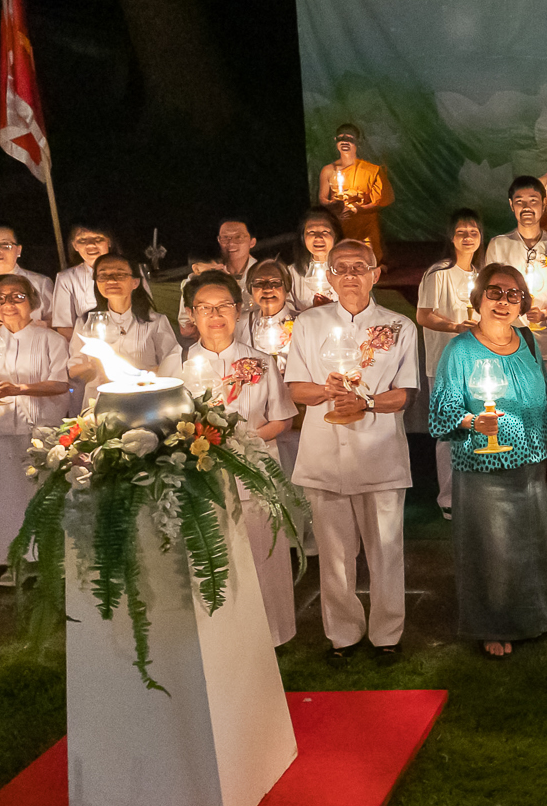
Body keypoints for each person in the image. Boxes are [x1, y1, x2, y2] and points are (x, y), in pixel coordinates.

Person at [284, 239, 419, 659]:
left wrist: (368, 403)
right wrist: (325, 391)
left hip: (379, 450)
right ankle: (342, 633)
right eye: (340, 268)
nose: (350, 276)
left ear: (375, 274)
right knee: (336, 554)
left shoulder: (400, 326)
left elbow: (405, 394)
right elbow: (296, 388)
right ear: (329, 276)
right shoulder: (308, 324)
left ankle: (387, 634)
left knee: (386, 549)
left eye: (359, 267)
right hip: (326, 452)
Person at [163, 271, 299, 644]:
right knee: (210, 555)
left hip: (254, 471)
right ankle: (218, 636)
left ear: (238, 311)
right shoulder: (175, 366)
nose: (215, 314)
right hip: (200, 475)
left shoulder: (260, 362)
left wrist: (245, 440)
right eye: (204, 308)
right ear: (192, 315)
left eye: (223, 305)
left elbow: (284, 417)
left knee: (263, 555)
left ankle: (272, 634)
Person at [430, 264, 547, 657]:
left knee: (532, 546)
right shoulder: (461, 351)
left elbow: (545, 396)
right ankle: (492, 625)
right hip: (484, 469)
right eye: (495, 293)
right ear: (479, 298)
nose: (503, 302)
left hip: (531, 466)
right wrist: (472, 420)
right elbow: (440, 413)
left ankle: (534, 618)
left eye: (513, 295)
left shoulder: (529, 341)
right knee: (491, 552)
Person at [0, 274, 72, 583]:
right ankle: (14, 560)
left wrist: (19, 388)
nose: (8, 303)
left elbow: (61, 383)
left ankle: (49, 558)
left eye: (17, 296)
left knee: (42, 496)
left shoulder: (51, 340)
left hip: (39, 429)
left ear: (32, 301)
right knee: (2, 498)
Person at [414, 209, 485, 517]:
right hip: (445, 363)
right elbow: (423, 315)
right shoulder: (438, 273)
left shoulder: (483, 274)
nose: (467, 237)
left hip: (478, 364)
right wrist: (455, 327)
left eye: (473, 232)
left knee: (480, 426)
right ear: (451, 237)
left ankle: (476, 491)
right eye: (461, 232)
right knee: (449, 431)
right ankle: (449, 498)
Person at [68, 253, 179, 408]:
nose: (111, 280)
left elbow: (171, 363)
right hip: (100, 400)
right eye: (103, 275)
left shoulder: (155, 322)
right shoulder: (86, 322)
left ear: (135, 282)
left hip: (144, 400)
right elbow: (73, 370)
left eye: (120, 274)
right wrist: (95, 365)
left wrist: (139, 375)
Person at [485, 176, 547, 361]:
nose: (526, 207)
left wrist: (546, 313)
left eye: (533, 201)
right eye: (520, 201)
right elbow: (488, 295)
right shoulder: (499, 245)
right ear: (511, 205)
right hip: (508, 341)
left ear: (544, 205)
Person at [244, 261, 303, 475]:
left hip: (295, 413)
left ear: (287, 288)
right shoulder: (242, 322)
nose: (267, 289)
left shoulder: (304, 322)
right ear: (249, 289)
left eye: (275, 283)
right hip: (256, 413)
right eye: (259, 283)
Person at [318, 123, 394, 262]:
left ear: (358, 142)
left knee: (368, 259)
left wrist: (357, 209)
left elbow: (379, 202)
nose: (345, 141)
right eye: (341, 138)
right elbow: (323, 199)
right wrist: (335, 204)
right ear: (335, 140)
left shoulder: (371, 170)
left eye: (350, 138)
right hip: (340, 219)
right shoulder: (328, 170)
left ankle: (375, 260)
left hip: (364, 221)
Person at [49, 223, 116, 336]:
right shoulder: (67, 279)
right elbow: (64, 327)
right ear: (75, 246)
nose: (90, 244)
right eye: (82, 240)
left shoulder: (132, 273)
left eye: (98, 238)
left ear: (109, 241)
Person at [287, 207, 343, 308]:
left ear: (335, 235)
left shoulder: (350, 271)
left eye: (325, 231)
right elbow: (286, 315)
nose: (318, 237)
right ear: (303, 237)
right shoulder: (292, 274)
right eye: (311, 232)